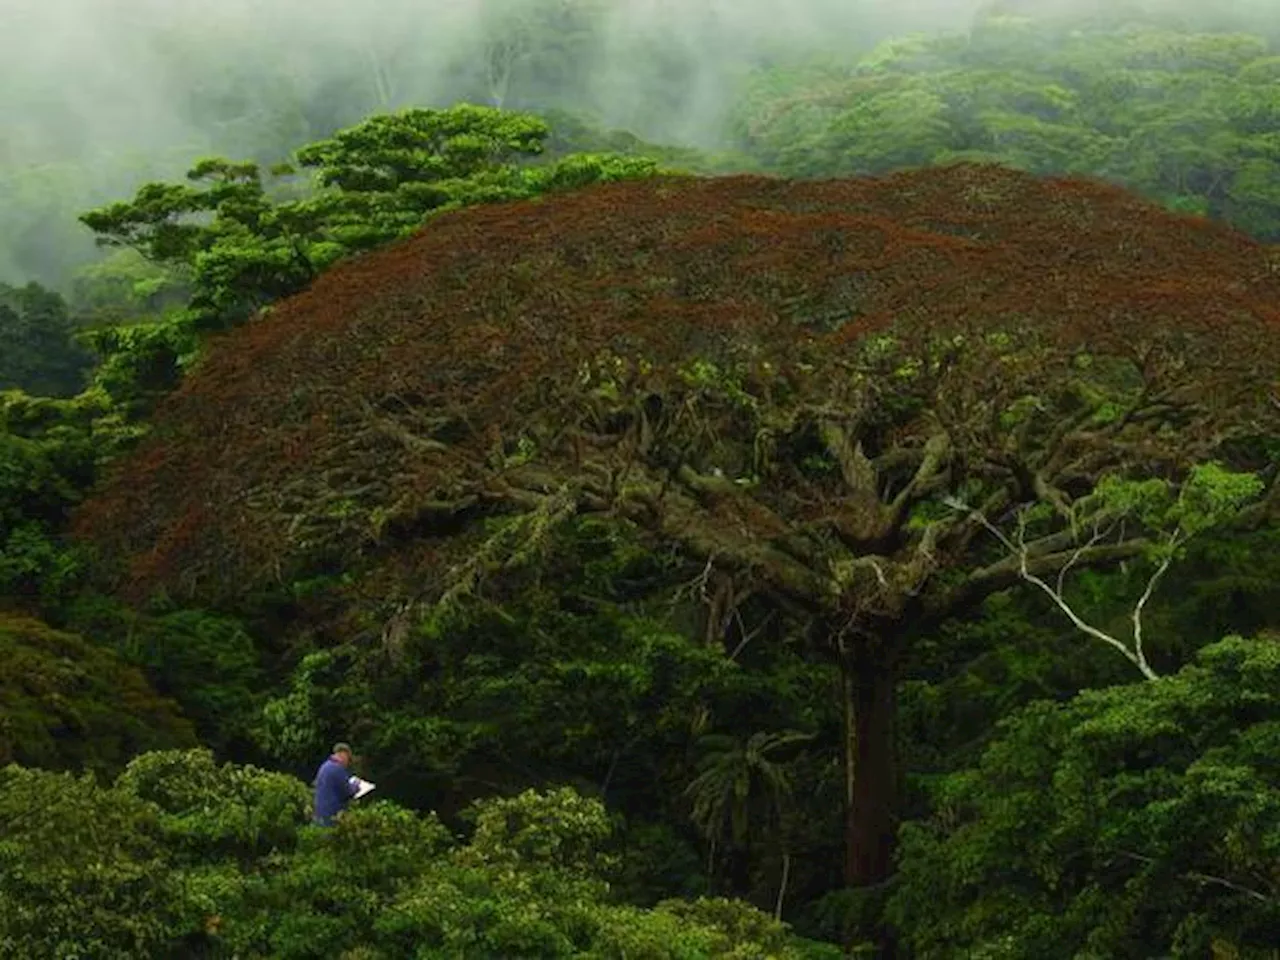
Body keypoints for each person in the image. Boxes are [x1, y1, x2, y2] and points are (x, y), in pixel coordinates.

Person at [312, 741, 360, 826]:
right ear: (344, 755)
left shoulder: (325, 766)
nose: (347, 763)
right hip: (332, 816)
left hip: (320, 815)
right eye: (348, 759)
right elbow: (348, 792)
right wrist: (356, 785)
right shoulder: (338, 769)